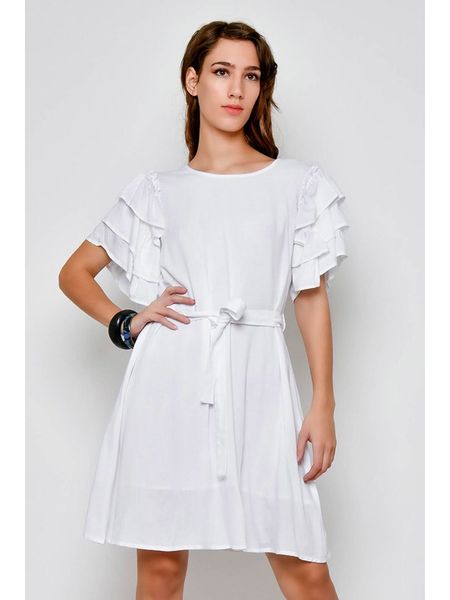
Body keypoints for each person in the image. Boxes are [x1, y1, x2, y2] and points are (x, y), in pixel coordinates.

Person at [59, 20, 348, 600]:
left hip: (260, 383)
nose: (237, 89)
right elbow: (74, 273)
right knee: (161, 571)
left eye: (251, 76)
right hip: (169, 387)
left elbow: (310, 296)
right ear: (193, 81)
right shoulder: (157, 191)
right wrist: (127, 321)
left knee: (304, 570)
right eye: (221, 72)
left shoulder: (298, 186)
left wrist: (323, 402)